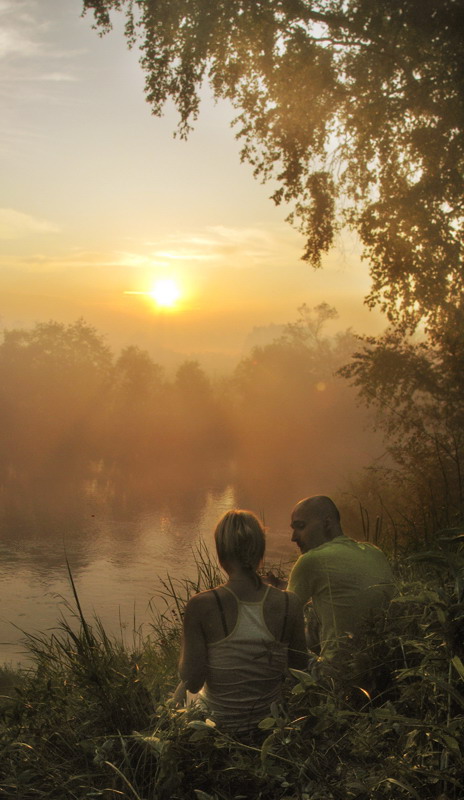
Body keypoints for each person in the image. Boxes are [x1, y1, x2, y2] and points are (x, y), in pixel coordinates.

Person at [173, 509, 307, 737]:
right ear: (260, 552)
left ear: (221, 554)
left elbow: (192, 681)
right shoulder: (289, 602)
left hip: (215, 729)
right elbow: (300, 670)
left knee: (176, 696)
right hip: (270, 729)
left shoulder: (201, 605)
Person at [287, 495, 395, 659]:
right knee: (313, 616)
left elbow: (282, 619)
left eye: (300, 526)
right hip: (381, 666)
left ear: (327, 523)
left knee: (278, 643)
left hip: (337, 673)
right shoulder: (375, 552)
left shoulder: (311, 560)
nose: (293, 537)